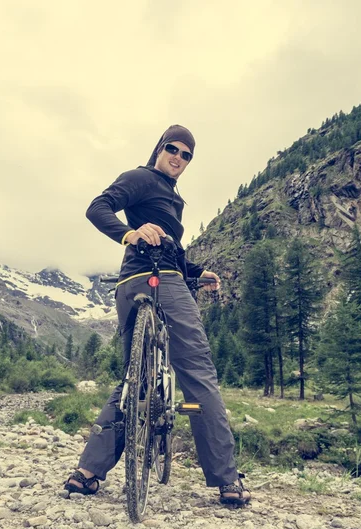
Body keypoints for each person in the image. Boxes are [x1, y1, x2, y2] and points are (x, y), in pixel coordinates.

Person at [64, 124, 251, 505]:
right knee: (197, 372)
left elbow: (172, 250)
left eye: (187, 155)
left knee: (132, 380)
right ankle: (226, 479)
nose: (179, 158)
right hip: (157, 280)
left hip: (134, 284)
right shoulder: (140, 177)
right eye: (173, 149)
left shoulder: (168, 196)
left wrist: (197, 272)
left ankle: (86, 473)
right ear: (159, 149)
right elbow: (97, 207)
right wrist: (129, 233)